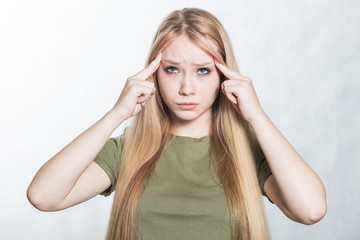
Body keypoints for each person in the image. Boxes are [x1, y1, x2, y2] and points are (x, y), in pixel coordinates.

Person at [27, 8, 327, 240]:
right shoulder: (129, 150)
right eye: (172, 69)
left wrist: (257, 116)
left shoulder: (247, 151)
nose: (187, 88)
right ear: (153, 73)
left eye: (203, 71)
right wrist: (117, 114)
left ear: (224, 75)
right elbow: (43, 197)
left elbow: (311, 210)